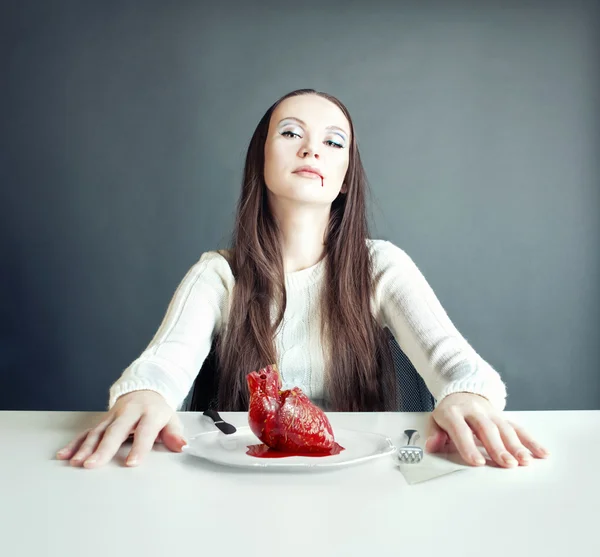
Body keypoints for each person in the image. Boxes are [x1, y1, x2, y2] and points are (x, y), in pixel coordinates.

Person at [56, 88, 549, 470]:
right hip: (246, 482)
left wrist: (467, 395)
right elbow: (161, 366)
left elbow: (457, 363)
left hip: (367, 474)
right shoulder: (219, 274)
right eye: (291, 133)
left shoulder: (382, 266)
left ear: (344, 175)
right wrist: (145, 394)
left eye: (333, 142)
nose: (313, 149)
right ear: (262, 157)